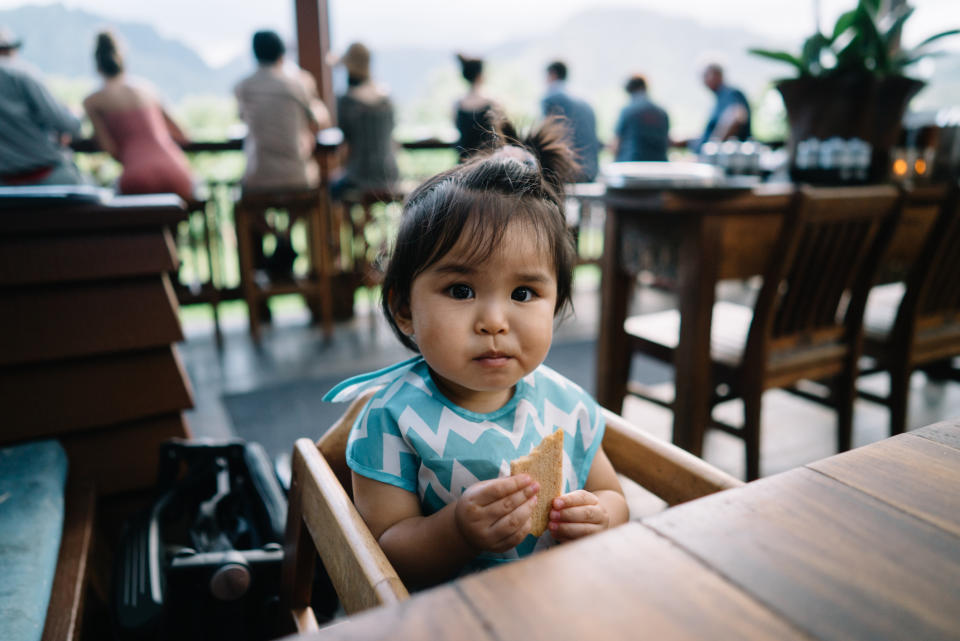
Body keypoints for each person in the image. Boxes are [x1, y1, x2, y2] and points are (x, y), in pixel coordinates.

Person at [322, 119, 629, 589]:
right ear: (405, 309)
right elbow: (385, 553)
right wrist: (456, 532)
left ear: (557, 304)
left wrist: (601, 517)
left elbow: (612, 494)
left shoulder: (566, 405)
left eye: (524, 294)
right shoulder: (391, 419)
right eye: (461, 289)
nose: (494, 321)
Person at [82, 31, 194, 200]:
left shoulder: (93, 101)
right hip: (176, 171)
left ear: (97, 64)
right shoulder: (147, 89)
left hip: (136, 176)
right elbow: (183, 135)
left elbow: (109, 149)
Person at [235, 30, 331, 191]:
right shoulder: (298, 83)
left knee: (248, 198)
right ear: (282, 54)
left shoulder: (243, 87)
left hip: (257, 175)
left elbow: (243, 118)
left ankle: (262, 217)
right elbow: (322, 120)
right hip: (296, 175)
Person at [0, 26, 84, 186]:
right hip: (48, 177)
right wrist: (75, 114)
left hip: (5, 187)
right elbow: (68, 125)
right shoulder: (21, 74)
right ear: (9, 50)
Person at [331, 42, 399, 199]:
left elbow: (346, 142)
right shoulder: (386, 99)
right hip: (390, 174)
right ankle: (360, 224)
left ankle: (347, 224)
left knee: (333, 186)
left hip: (359, 175)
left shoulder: (347, 101)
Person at [541, 60, 600, 182]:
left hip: (568, 171)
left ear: (552, 74)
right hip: (592, 170)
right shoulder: (585, 101)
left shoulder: (551, 97)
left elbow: (545, 137)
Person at [453, 53, 501, 161]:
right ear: (480, 75)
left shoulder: (457, 104)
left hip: (464, 163)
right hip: (488, 162)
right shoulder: (493, 102)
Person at [611, 74, 670, 162]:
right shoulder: (662, 111)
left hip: (632, 163)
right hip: (659, 164)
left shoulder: (627, 110)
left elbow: (617, 143)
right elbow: (667, 142)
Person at [695, 62, 751, 151]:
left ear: (717, 75)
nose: (703, 80)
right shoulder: (719, 98)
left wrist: (714, 145)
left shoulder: (730, 94)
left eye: (705, 75)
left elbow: (738, 116)